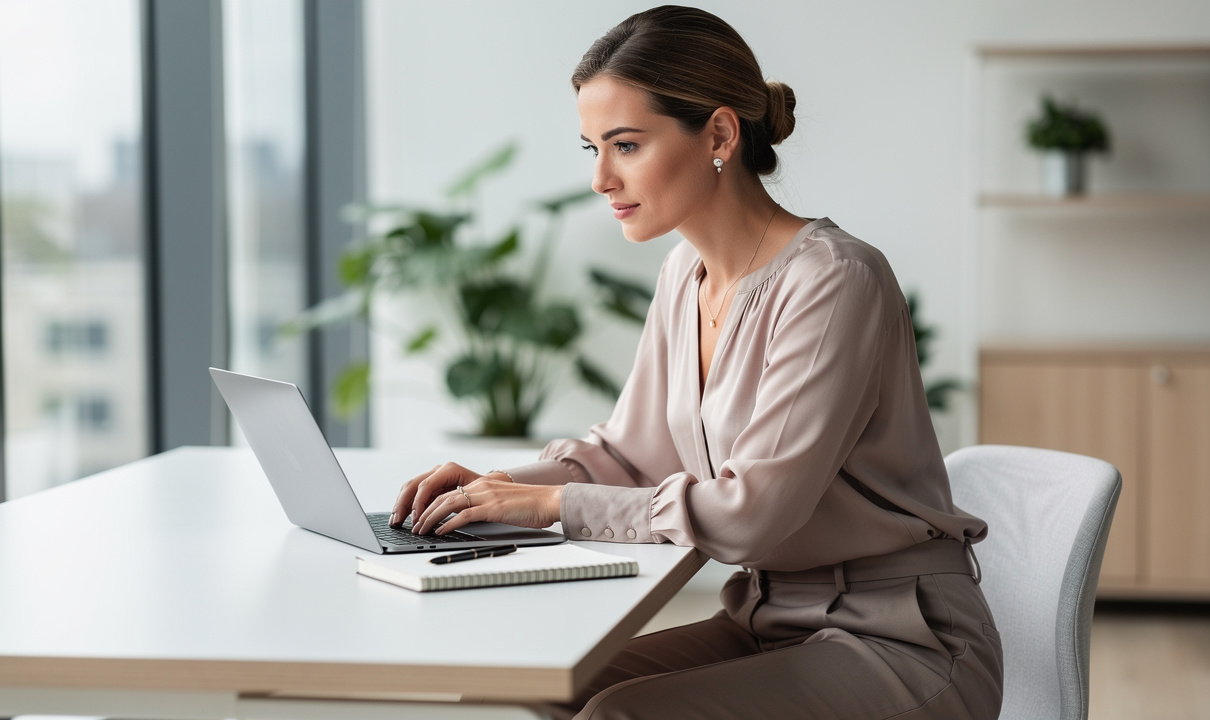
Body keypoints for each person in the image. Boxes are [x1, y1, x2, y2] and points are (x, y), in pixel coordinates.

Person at [388, 6, 1003, 719]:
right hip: (765, 622)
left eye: (626, 145)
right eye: (592, 149)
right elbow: (630, 453)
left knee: (615, 716)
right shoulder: (685, 274)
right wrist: (495, 488)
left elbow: (752, 515)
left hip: (899, 641)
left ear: (718, 134)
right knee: (524, 694)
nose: (602, 180)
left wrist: (550, 505)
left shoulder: (836, 279)